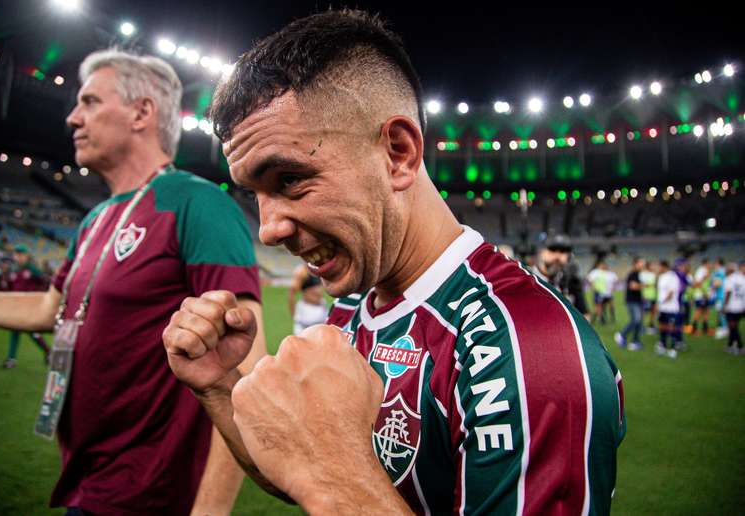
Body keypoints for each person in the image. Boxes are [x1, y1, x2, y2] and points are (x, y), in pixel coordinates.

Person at [162, 10, 626, 514]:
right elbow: (307, 471)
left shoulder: (528, 348)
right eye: (255, 195)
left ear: (398, 153)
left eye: (289, 180)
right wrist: (218, 385)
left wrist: (336, 476)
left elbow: (335, 482)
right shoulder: (353, 304)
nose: (268, 228)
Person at [0, 50, 266, 514]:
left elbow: (245, 371)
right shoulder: (94, 219)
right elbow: (49, 309)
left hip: (151, 494)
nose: (73, 117)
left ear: (141, 112)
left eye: (89, 101)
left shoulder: (198, 204)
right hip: (87, 480)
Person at [1, 244, 51, 368]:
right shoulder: (13, 271)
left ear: (26, 256)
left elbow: (45, 281)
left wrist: (39, 296)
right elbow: (9, 288)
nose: (18, 257)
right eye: (16, 254)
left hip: (29, 306)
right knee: (17, 330)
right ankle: (12, 358)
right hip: (17, 306)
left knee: (28, 331)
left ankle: (48, 352)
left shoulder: (32, 269)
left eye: (21, 254)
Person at [532, 233, 589, 319]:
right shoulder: (526, 278)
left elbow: (584, 315)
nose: (557, 256)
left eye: (563, 252)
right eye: (552, 250)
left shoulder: (572, 282)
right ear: (541, 252)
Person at [615, 257, 645, 351]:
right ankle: (621, 334)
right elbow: (633, 286)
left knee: (639, 322)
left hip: (637, 301)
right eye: (641, 263)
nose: (643, 265)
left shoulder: (638, 274)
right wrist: (643, 285)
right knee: (636, 319)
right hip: (632, 301)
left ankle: (635, 342)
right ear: (635, 264)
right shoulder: (633, 274)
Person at [656, 260, 681, 359]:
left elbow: (671, 293)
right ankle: (663, 345)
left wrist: (660, 303)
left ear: (664, 266)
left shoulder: (673, 277)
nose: (658, 268)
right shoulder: (661, 277)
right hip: (663, 308)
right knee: (662, 326)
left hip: (671, 308)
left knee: (671, 328)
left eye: (659, 266)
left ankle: (673, 348)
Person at [722, 261, 745, 354]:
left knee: (733, 327)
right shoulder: (742, 278)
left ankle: (740, 346)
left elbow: (728, 292)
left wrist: (724, 305)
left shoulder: (729, 279)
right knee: (733, 327)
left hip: (731, 307)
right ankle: (730, 345)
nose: (725, 270)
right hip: (741, 306)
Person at [587, 260, 617, 324]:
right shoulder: (595, 272)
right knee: (598, 306)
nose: (603, 266)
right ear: (599, 265)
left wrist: (613, 288)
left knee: (610, 305)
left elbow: (614, 280)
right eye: (601, 265)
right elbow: (590, 280)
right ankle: (600, 319)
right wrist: (594, 287)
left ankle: (612, 318)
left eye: (604, 265)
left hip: (608, 293)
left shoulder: (608, 273)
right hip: (599, 292)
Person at [690, 257, 712, 336]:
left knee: (706, 311)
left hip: (705, 295)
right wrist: (704, 293)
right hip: (701, 295)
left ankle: (705, 329)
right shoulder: (701, 271)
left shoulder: (705, 270)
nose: (710, 265)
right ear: (705, 263)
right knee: (698, 312)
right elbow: (697, 283)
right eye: (709, 263)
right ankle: (694, 330)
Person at [711, 257, 729, 339]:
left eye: (715, 263)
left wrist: (712, 288)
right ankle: (722, 327)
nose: (714, 264)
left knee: (721, 312)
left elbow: (717, 284)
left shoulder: (719, 272)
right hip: (722, 295)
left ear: (718, 263)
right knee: (721, 312)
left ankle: (725, 329)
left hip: (721, 296)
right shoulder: (723, 271)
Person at [640, 260, 658, 333]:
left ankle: (651, 325)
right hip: (646, 296)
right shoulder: (643, 274)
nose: (653, 267)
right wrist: (642, 295)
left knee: (653, 311)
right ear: (648, 266)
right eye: (652, 266)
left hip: (654, 296)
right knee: (644, 312)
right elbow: (641, 285)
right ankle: (641, 326)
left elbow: (656, 284)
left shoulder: (654, 274)